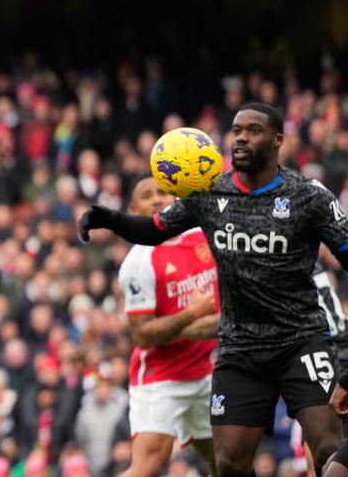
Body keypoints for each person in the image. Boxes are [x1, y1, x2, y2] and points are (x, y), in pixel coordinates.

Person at [80, 103, 348, 477]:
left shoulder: (309, 196)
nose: (240, 137)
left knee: (328, 448)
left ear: (278, 140)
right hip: (240, 348)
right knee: (229, 465)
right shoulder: (209, 194)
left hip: (301, 341)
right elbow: (154, 229)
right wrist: (108, 219)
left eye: (253, 131)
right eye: (236, 130)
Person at [117, 173, 220, 477]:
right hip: (162, 376)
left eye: (162, 192)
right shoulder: (138, 261)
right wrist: (193, 314)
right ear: (133, 213)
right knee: (147, 467)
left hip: (206, 370)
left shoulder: (203, 236)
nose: (156, 199)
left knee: (227, 464)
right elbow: (143, 336)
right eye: (146, 196)